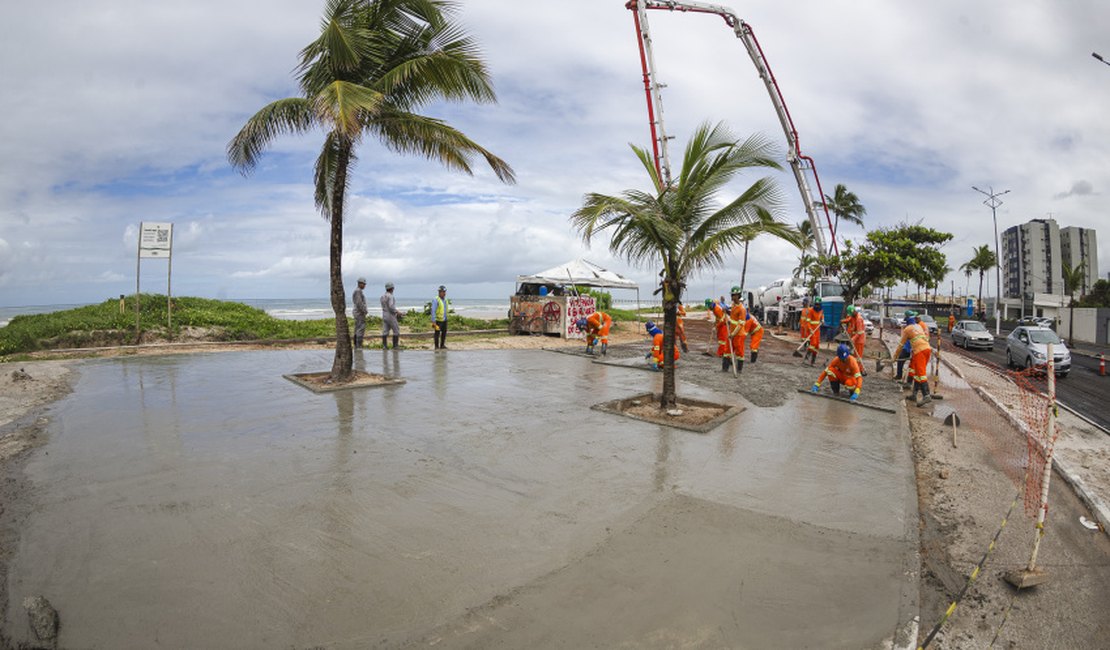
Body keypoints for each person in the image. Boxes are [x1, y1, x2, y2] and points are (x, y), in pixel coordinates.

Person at [897, 309, 934, 406]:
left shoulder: (909, 328)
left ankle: (926, 395)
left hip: (919, 351)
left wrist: (894, 357)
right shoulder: (919, 326)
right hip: (926, 349)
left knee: (921, 373)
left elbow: (901, 345)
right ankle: (914, 394)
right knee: (918, 373)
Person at [705, 298, 732, 372]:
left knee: (722, 340)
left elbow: (722, 319)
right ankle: (721, 353)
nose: (708, 309)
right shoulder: (714, 308)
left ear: (710, 305)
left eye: (708, 307)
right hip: (721, 324)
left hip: (723, 325)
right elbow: (718, 318)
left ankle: (722, 354)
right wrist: (715, 323)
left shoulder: (716, 309)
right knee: (720, 340)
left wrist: (716, 326)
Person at [841, 305, 868, 375]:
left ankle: (859, 370)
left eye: (851, 314)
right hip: (856, 339)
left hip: (859, 340)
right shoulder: (853, 317)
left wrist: (853, 338)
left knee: (858, 356)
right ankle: (859, 369)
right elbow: (848, 320)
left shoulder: (858, 319)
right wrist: (842, 321)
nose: (850, 316)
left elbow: (859, 332)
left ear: (853, 312)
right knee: (856, 355)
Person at [728, 286, 748, 373]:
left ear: (738, 296)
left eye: (734, 295)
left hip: (739, 334)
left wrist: (733, 334)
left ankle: (739, 369)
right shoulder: (733, 306)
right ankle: (724, 368)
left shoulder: (742, 309)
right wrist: (727, 311)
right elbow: (732, 316)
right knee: (727, 351)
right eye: (732, 295)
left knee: (739, 353)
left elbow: (740, 324)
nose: (732, 297)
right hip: (731, 333)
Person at [799, 296, 823, 365]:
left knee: (817, 346)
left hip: (817, 330)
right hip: (812, 330)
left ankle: (813, 362)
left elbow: (821, 316)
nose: (817, 306)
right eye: (816, 304)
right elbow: (808, 321)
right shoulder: (811, 311)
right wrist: (810, 329)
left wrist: (822, 320)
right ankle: (806, 359)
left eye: (818, 304)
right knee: (813, 344)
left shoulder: (821, 310)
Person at [380, 282, 401, 350]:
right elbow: (391, 306)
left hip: (384, 314)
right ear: (392, 288)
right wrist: (397, 312)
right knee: (396, 330)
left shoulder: (382, 296)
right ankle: (395, 346)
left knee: (385, 330)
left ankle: (384, 346)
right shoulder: (390, 296)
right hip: (391, 315)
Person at [431, 285, 450, 350]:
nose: (444, 293)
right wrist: (433, 320)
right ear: (439, 292)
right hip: (438, 320)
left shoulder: (445, 300)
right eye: (442, 292)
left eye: (444, 292)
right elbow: (433, 310)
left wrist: (446, 318)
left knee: (444, 333)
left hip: (444, 320)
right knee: (437, 333)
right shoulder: (436, 300)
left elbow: (445, 309)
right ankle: (436, 346)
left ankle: (442, 345)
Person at [352, 277, 368, 348]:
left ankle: (356, 344)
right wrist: (365, 311)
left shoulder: (358, 291)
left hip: (358, 312)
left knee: (357, 328)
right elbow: (359, 303)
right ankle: (358, 345)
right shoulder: (358, 291)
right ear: (359, 284)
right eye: (363, 284)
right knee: (361, 328)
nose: (364, 285)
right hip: (359, 313)